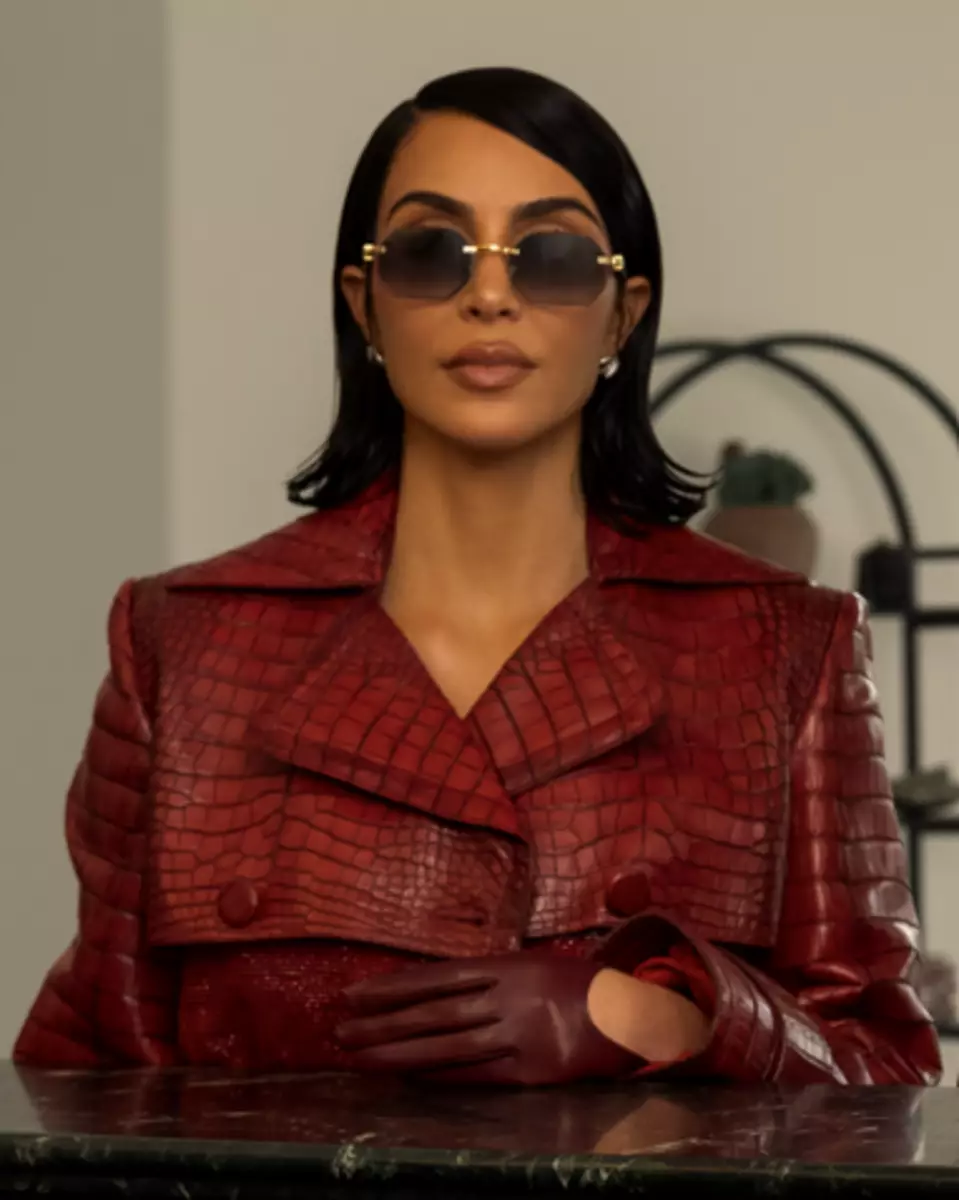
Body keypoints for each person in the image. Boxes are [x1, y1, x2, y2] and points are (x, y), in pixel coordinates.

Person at [15, 66, 940, 1086]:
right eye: (430, 253)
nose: (489, 295)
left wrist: (659, 1016)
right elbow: (90, 1085)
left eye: (551, 257)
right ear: (365, 306)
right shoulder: (183, 644)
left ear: (621, 315)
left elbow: (880, 1076)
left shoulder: (782, 647)